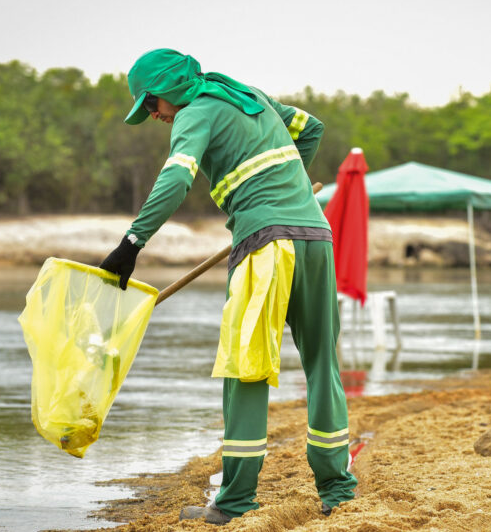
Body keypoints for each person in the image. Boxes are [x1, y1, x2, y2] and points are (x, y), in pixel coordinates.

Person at [98, 49, 357, 524]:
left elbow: (176, 179)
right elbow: (311, 127)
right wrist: (289, 187)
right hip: (317, 238)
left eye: (151, 102)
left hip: (265, 245)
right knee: (323, 362)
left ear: (169, 91)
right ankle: (338, 489)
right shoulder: (249, 95)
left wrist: (131, 244)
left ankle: (236, 501)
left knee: (245, 369)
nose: (153, 114)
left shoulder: (194, 112)